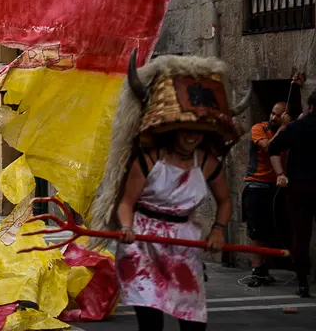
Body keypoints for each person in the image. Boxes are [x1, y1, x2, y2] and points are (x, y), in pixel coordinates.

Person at [89, 50, 249, 330]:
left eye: (197, 130)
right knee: (151, 324)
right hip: (142, 241)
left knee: (192, 320)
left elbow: (224, 200)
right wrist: (126, 227)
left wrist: (218, 229)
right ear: (171, 128)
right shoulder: (149, 159)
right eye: (184, 129)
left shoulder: (208, 163)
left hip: (183, 244)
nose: (191, 136)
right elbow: (127, 202)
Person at [269, 88, 316, 299]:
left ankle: (303, 283)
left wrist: (281, 172)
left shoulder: (297, 127)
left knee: (301, 234)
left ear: (309, 106)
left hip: (300, 186)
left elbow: (273, 147)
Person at [242, 101, 291, 287]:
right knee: (256, 230)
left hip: (274, 187)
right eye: (272, 113)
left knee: (270, 229)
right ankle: (256, 270)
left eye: (278, 115)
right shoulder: (258, 128)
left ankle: (265, 270)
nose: (273, 118)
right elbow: (269, 146)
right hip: (256, 184)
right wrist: (284, 127)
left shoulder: (287, 130)